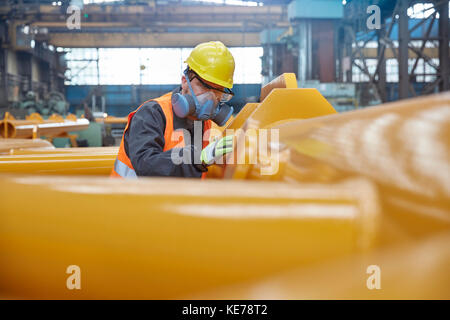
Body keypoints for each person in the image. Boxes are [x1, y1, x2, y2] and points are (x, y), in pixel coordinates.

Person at [111, 41, 235, 179]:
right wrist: (198, 158)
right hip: (129, 198)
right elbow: (146, 164)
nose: (210, 99)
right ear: (184, 81)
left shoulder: (207, 125)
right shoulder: (151, 113)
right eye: (204, 87)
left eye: (218, 92)